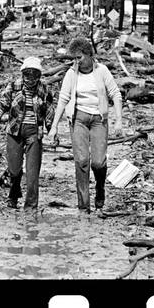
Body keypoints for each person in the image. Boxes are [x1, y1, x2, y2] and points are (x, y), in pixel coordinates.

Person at [46, 36, 123, 212]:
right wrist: (54, 127)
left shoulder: (102, 71)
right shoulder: (71, 74)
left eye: (79, 57)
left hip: (98, 120)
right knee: (81, 161)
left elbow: (115, 94)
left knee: (98, 162)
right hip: (78, 119)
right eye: (74, 58)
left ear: (89, 54)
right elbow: (63, 99)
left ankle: (100, 188)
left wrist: (118, 120)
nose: (76, 62)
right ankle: (83, 206)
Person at [0, 56, 55, 210]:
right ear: (22, 74)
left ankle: (31, 208)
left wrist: (52, 132)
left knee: (32, 174)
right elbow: (3, 104)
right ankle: (14, 194)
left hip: (34, 133)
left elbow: (49, 112)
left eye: (33, 75)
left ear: (38, 76)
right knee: (14, 169)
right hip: (14, 131)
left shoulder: (44, 90)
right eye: (26, 74)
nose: (29, 78)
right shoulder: (14, 86)